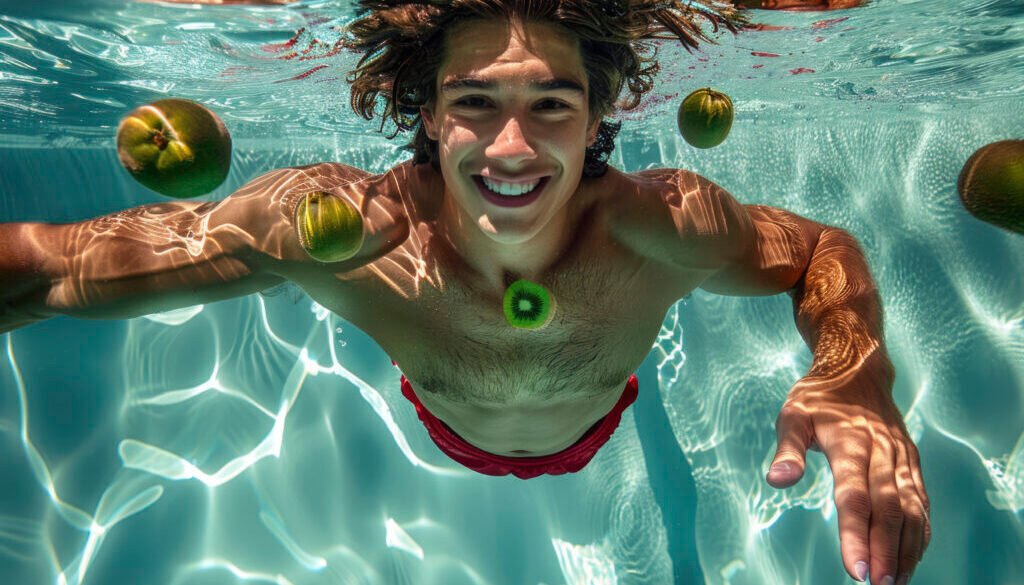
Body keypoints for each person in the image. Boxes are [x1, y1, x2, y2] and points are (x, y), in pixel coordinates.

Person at [0, 1, 928, 583]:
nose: (513, 148)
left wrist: (855, 369)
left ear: (599, 118)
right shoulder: (339, 233)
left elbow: (817, 250)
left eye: (551, 107)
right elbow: (49, 268)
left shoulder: (663, 227)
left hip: (598, 418)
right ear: (430, 115)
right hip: (443, 419)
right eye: (476, 103)